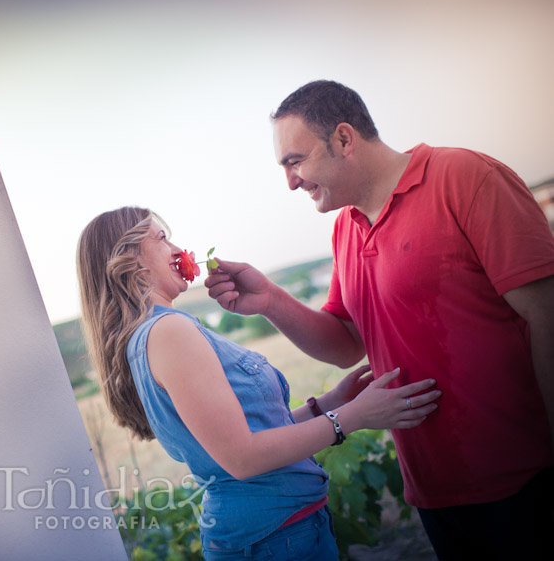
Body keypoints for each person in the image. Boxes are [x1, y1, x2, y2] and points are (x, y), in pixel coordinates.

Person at [205, 80, 554, 560]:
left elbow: (547, 315)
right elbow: (348, 343)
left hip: (525, 477)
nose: (290, 181)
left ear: (345, 139)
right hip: (433, 490)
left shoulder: (465, 177)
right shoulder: (346, 229)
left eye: (295, 161)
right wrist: (270, 300)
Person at [76, 206, 441, 560]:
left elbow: (249, 433)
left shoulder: (156, 333)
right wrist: (354, 417)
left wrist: (328, 403)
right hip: (273, 541)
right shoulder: (170, 331)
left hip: (277, 535)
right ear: (131, 259)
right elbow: (243, 457)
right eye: (161, 238)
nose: (177, 249)